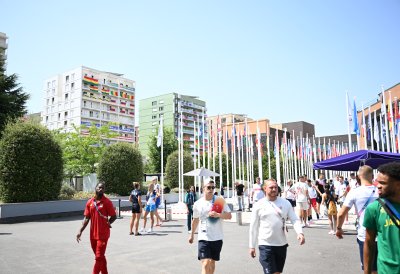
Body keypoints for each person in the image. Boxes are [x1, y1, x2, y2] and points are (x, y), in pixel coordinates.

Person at [249, 179, 305, 274]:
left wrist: (300, 232)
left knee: (277, 272)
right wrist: (251, 246)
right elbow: (253, 227)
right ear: (265, 188)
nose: (274, 189)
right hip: (265, 245)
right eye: (271, 187)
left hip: (281, 244)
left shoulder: (285, 203)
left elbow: (294, 219)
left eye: (275, 187)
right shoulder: (258, 205)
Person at [336, 165, 378, 273]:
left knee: (368, 268)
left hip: (364, 235)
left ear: (358, 176)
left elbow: (341, 214)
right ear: (372, 176)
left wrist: (339, 228)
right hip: (382, 234)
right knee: (381, 267)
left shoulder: (354, 192)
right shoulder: (380, 191)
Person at [188, 179, 232, 274]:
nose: (211, 189)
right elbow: (195, 220)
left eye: (213, 187)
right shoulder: (198, 204)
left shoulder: (219, 200)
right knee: (205, 263)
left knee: (212, 263)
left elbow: (229, 216)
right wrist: (191, 234)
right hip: (203, 238)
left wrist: (218, 215)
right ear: (203, 188)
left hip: (217, 237)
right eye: (208, 187)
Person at [363, 162, 400, 274]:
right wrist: (367, 272)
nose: (378, 186)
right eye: (377, 182)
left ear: (398, 184)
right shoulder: (374, 208)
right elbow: (369, 243)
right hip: (387, 270)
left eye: (383, 183)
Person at [76, 182, 117, 274]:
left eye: (103, 188)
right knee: (100, 256)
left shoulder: (107, 202)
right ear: (95, 188)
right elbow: (86, 217)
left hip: (103, 235)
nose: (101, 189)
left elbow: (114, 216)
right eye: (99, 187)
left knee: (98, 257)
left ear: (104, 190)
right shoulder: (90, 202)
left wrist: (108, 223)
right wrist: (80, 231)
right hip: (93, 235)